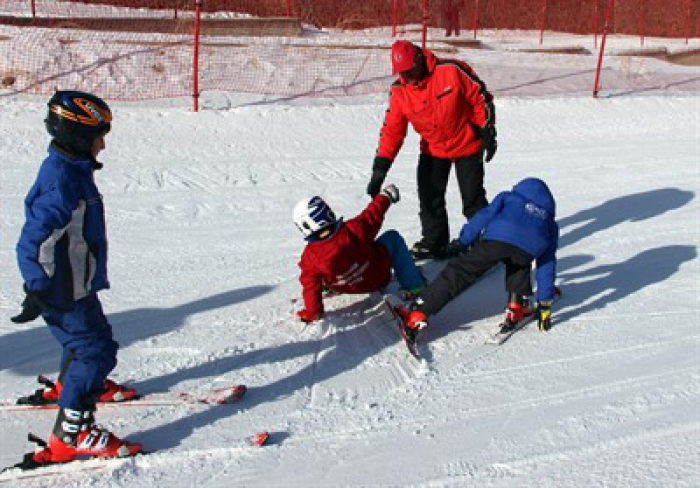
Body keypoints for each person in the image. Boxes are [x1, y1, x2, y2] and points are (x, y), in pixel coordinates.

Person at [12, 90, 140, 463]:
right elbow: (35, 239)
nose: (103, 143)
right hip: (63, 288)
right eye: (100, 135)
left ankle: (71, 386)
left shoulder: (68, 169)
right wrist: (37, 286)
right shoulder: (64, 180)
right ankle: (73, 432)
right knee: (96, 351)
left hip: (76, 283)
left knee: (85, 342)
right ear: (79, 136)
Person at [366, 40, 497, 260]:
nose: (405, 76)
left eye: (409, 70)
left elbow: (480, 98)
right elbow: (392, 131)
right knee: (429, 198)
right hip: (433, 149)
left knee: (472, 199)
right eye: (401, 72)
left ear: (418, 59)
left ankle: (488, 241)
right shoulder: (400, 91)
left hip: (466, 143)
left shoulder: (451, 71)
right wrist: (380, 168)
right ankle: (435, 242)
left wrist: (487, 132)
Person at [394, 177, 559, 338]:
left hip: (496, 241)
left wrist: (463, 241)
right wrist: (544, 303)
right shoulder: (550, 223)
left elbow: (482, 217)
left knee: (460, 272)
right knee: (519, 259)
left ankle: (418, 312)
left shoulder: (508, 197)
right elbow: (546, 264)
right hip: (527, 250)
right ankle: (516, 305)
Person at [294, 184, 425, 324]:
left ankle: (331, 282)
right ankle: (414, 285)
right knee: (392, 237)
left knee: (316, 271)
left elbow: (310, 285)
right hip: (378, 276)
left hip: (342, 285)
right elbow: (374, 213)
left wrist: (312, 312)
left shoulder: (309, 256)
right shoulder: (354, 229)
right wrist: (386, 195)